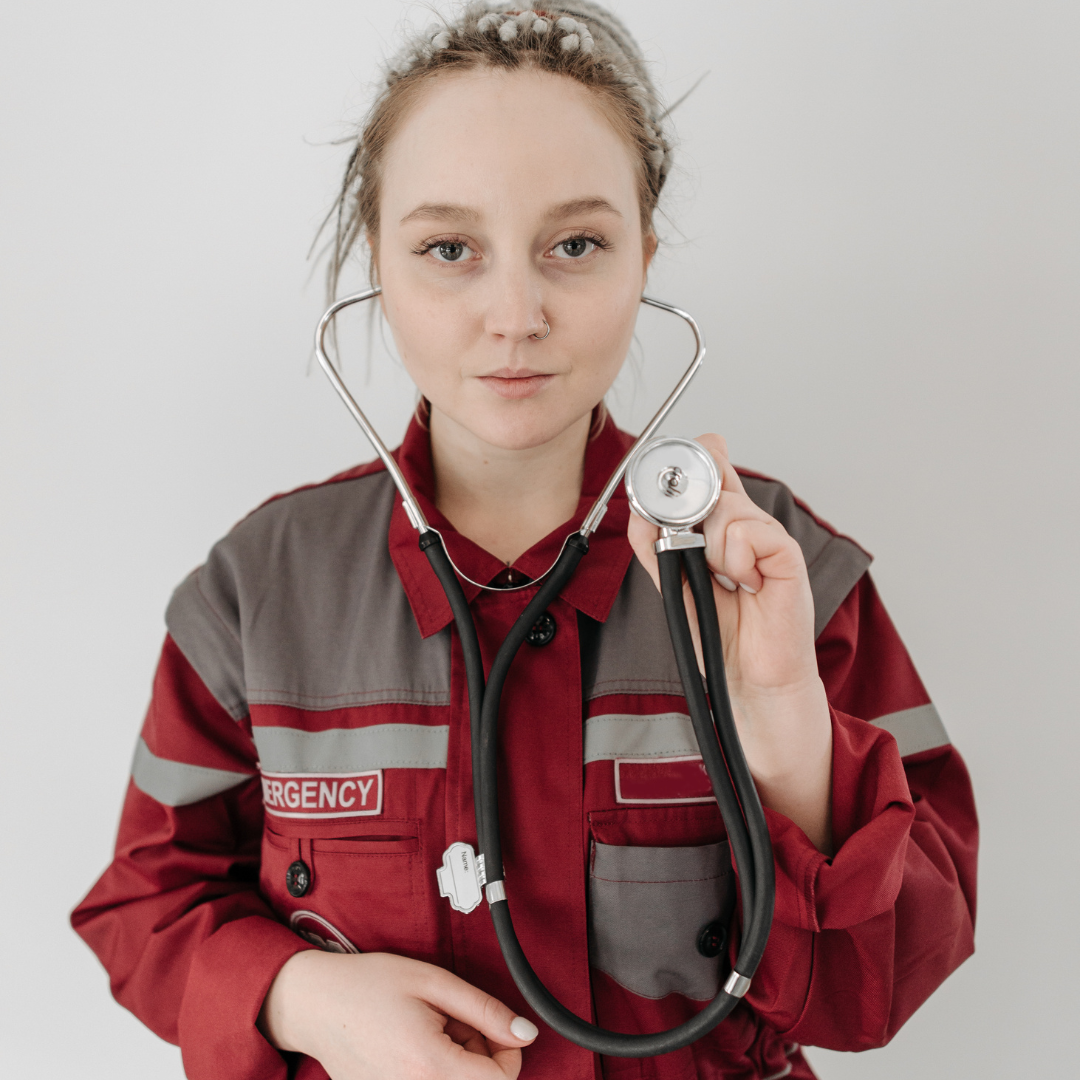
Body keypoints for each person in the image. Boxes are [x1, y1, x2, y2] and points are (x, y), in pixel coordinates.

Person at [71, 4, 978, 1079]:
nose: (514, 313)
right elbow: (145, 903)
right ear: (380, 260)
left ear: (646, 251)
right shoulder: (254, 593)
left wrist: (784, 728)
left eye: (576, 245)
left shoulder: (788, 578)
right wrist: (302, 997)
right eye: (449, 248)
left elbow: (888, 978)